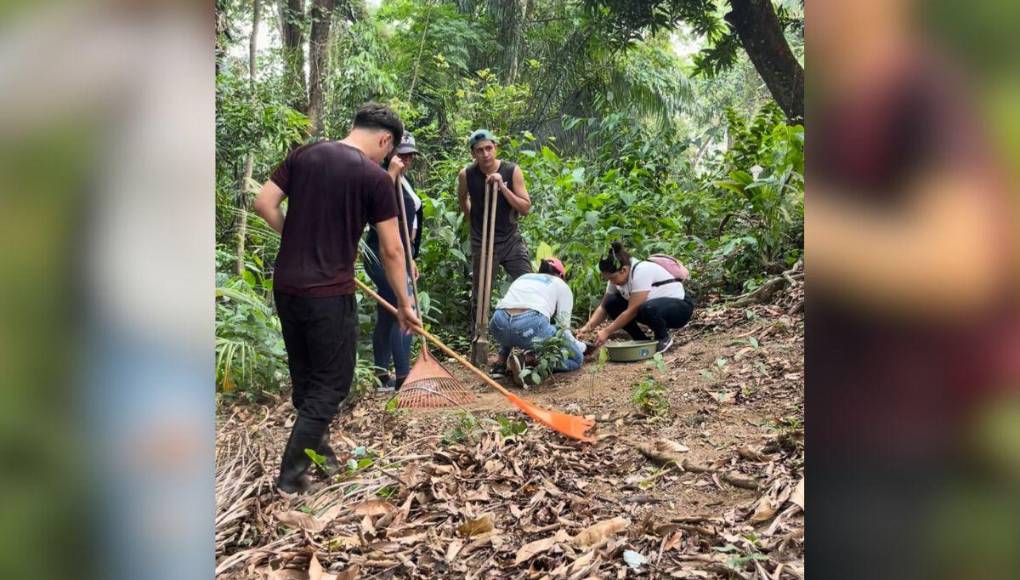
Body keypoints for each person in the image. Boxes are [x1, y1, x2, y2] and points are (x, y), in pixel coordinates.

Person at [253, 103, 419, 493]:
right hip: (328, 293)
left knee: (309, 379)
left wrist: (296, 239)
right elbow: (394, 251)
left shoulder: (303, 155)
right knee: (332, 384)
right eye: (388, 151)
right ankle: (291, 478)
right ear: (385, 140)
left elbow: (264, 203)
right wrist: (405, 304)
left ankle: (320, 453)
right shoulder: (374, 178)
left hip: (288, 286)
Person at [364, 132, 423, 392]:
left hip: (401, 253)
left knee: (388, 315)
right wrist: (390, 173)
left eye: (411, 154)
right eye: (402, 153)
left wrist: (410, 257)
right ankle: (403, 377)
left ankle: (380, 375)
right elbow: (367, 208)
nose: (407, 159)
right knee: (403, 305)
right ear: (389, 151)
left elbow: (408, 221)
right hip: (380, 253)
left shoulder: (405, 179)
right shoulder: (379, 175)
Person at [457, 129, 533, 320]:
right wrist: (470, 218)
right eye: (480, 150)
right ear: (473, 154)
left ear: (496, 148)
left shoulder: (511, 170)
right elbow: (462, 198)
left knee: (530, 284)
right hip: (482, 242)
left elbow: (525, 207)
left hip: (510, 240)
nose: (485, 154)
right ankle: (478, 338)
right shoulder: (466, 174)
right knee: (480, 296)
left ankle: (537, 335)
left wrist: (503, 187)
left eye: (489, 148)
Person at [578, 241, 694, 354]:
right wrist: (587, 328)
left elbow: (632, 310)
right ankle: (641, 340)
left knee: (646, 308)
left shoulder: (641, 270)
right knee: (612, 303)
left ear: (623, 270)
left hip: (680, 309)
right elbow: (603, 307)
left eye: (612, 278)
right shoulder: (616, 279)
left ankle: (663, 339)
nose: (611, 282)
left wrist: (607, 331)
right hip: (654, 309)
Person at [488, 258, 589, 386]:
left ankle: (500, 365)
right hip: (529, 327)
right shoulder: (561, 284)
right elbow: (564, 329)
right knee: (576, 359)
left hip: (498, 324)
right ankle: (533, 364)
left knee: (512, 319)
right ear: (561, 276)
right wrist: (582, 347)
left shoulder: (524, 277)